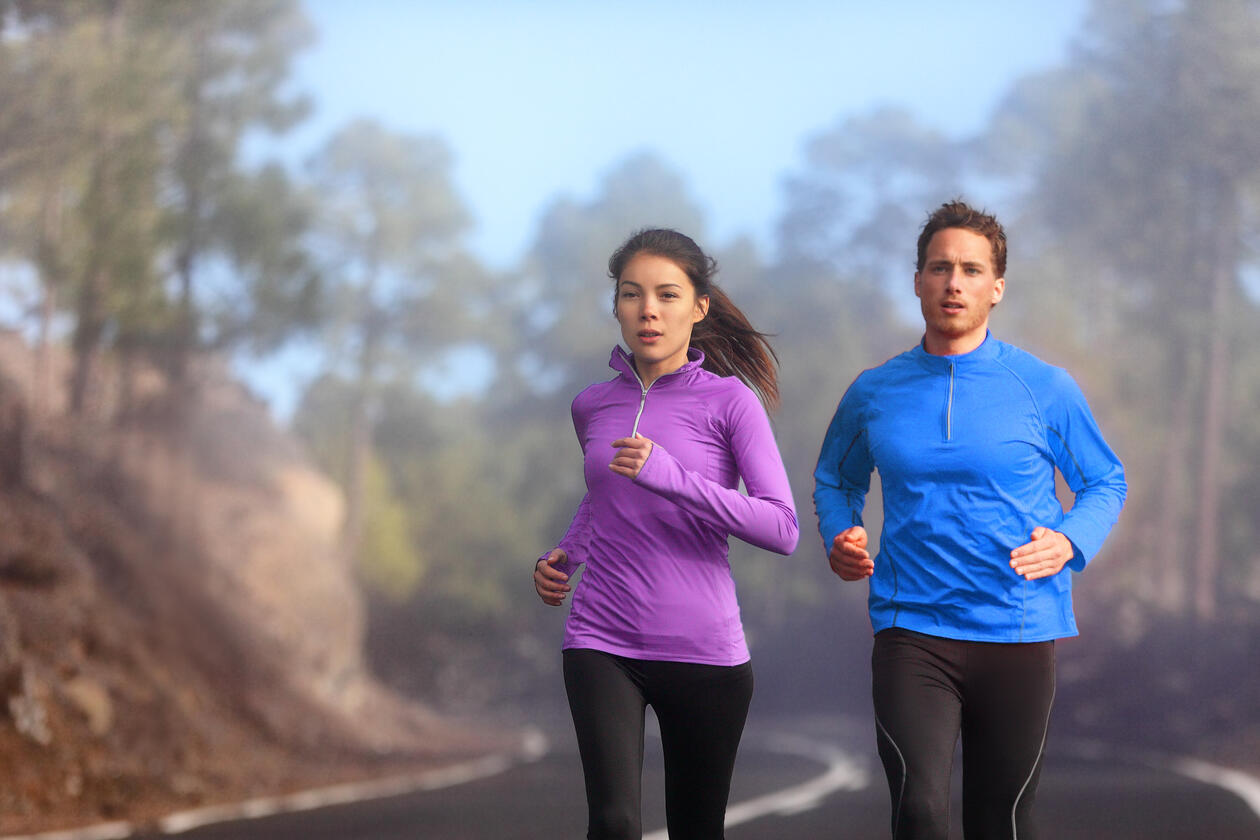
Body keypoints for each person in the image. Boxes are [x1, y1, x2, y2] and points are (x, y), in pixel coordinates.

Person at [813, 200, 1126, 840]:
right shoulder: (875, 391)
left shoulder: (1044, 387)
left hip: (1017, 627)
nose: (954, 282)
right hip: (912, 630)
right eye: (939, 267)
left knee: (1001, 821)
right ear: (919, 280)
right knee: (920, 811)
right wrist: (840, 534)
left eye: (971, 270)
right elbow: (835, 478)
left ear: (997, 287)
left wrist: (1070, 541)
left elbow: (1104, 481)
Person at [534, 228, 799, 840]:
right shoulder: (592, 404)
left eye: (667, 294)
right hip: (600, 638)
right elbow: (605, 498)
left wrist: (673, 477)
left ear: (698, 307)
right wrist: (564, 554)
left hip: (704, 648)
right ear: (618, 306)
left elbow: (782, 528)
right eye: (632, 295)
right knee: (615, 821)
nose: (648, 310)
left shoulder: (732, 402)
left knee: (695, 829)